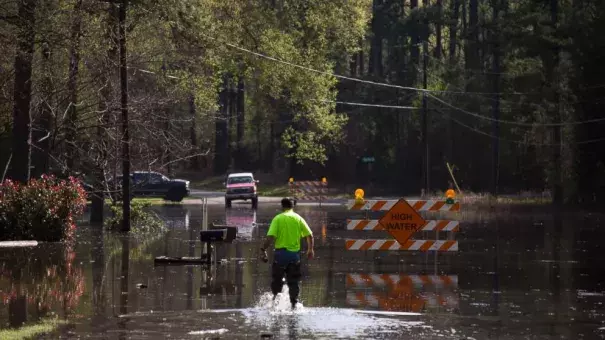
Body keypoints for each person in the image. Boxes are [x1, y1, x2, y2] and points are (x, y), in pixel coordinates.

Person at [260, 197, 314, 309]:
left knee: (277, 280)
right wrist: (310, 249)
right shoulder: (298, 218)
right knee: (293, 281)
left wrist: (263, 249)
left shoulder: (278, 219)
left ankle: (275, 302)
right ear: (292, 206)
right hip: (294, 256)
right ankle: (294, 304)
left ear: (282, 206)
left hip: (280, 255)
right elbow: (309, 235)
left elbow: (270, 237)